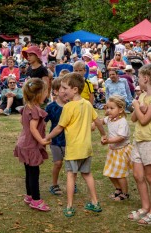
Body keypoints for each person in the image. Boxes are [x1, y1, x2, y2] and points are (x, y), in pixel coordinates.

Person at [44, 72, 106, 217]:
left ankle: (70, 206)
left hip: (73, 149)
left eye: (65, 87)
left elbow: (59, 127)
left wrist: (47, 137)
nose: (63, 90)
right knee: (87, 174)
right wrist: (104, 135)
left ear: (75, 89)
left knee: (71, 175)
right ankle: (95, 202)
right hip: (86, 148)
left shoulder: (69, 107)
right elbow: (97, 122)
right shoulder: (87, 104)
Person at [128, 63, 151, 225]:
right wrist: (139, 106)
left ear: (146, 78)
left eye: (139, 78)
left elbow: (144, 120)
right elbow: (134, 118)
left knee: (150, 177)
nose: (137, 81)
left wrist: (137, 106)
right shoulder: (142, 96)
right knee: (137, 175)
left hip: (150, 141)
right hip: (138, 140)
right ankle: (145, 207)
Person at [14, 78, 51, 212]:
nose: (47, 94)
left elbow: (22, 122)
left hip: (23, 143)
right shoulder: (35, 110)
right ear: (38, 94)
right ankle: (36, 200)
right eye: (46, 92)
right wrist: (41, 140)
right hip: (31, 146)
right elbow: (33, 128)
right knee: (34, 173)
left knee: (29, 172)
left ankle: (29, 196)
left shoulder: (26, 107)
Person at [101, 95, 132, 201]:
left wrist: (108, 141)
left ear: (120, 109)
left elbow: (121, 137)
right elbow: (100, 121)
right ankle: (118, 189)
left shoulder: (122, 122)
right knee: (110, 172)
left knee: (120, 174)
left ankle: (125, 193)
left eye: (111, 108)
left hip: (121, 151)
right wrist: (92, 124)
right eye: (107, 108)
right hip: (113, 151)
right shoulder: (110, 119)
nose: (108, 110)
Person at [44, 77, 67, 195]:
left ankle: (71, 182)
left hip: (70, 140)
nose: (65, 91)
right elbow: (43, 122)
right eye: (63, 88)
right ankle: (54, 184)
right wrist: (42, 137)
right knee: (58, 163)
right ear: (56, 91)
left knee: (71, 164)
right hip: (56, 140)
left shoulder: (71, 105)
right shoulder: (51, 107)